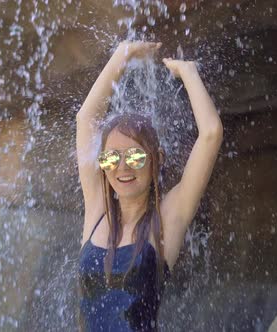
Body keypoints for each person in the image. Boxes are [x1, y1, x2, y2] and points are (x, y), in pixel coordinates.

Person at [76, 41, 223, 331]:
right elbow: (85, 119)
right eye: (111, 158)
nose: (122, 168)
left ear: (156, 160)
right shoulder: (97, 210)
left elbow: (211, 133)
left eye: (134, 156)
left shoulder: (167, 218)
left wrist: (188, 73)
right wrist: (122, 54)